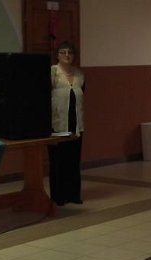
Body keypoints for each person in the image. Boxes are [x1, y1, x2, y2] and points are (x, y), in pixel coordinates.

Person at [48, 40, 84, 206]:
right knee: (58, 161)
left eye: (70, 52)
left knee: (73, 160)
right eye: (63, 52)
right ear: (57, 55)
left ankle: (73, 195)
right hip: (57, 124)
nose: (67, 55)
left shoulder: (79, 74)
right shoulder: (52, 72)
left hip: (76, 124)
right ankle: (58, 196)